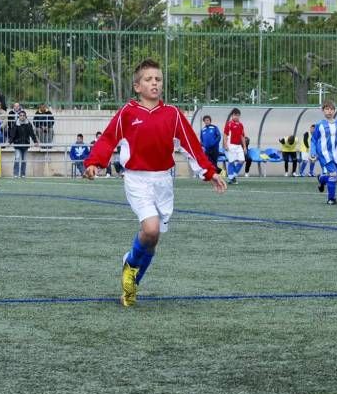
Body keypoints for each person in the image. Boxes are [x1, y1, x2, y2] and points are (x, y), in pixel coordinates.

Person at [84, 58, 226, 307]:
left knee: (153, 238)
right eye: (149, 79)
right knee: (150, 228)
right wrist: (94, 162)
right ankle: (130, 266)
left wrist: (209, 171)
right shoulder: (127, 112)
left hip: (163, 181)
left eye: (158, 79)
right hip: (137, 180)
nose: (154, 83)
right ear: (137, 86)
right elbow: (108, 139)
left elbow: (191, 145)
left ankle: (132, 283)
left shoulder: (172, 114)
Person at [312, 100, 337, 205]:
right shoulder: (319, 125)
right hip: (324, 154)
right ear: (323, 111)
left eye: (331, 109)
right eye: (327, 109)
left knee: (336, 178)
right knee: (333, 175)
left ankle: (321, 178)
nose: (329, 111)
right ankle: (331, 199)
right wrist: (313, 152)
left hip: (336, 155)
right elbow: (314, 140)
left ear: (334, 111)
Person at [8, 110, 38, 178]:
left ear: (25, 116)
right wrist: (10, 142)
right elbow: (12, 134)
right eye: (20, 115)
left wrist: (35, 141)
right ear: (19, 116)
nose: (22, 117)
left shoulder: (28, 124)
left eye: (23, 115)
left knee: (24, 159)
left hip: (25, 144)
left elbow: (32, 134)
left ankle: (23, 174)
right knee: (17, 158)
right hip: (17, 144)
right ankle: (15, 174)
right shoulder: (15, 124)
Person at [223, 107, 246, 185]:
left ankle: (232, 176)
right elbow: (225, 135)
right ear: (232, 115)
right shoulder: (229, 124)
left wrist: (245, 147)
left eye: (238, 115)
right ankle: (231, 178)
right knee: (231, 162)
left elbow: (242, 136)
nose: (236, 117)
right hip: (231, 145)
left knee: (242, 160)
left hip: (239, 146)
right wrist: (225, 144)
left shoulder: (241, 125)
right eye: (235, 115)